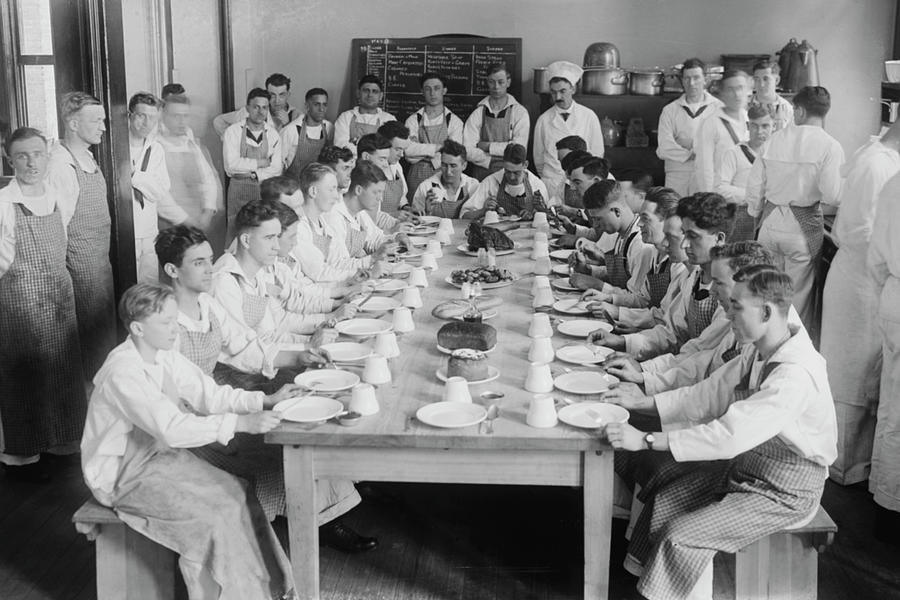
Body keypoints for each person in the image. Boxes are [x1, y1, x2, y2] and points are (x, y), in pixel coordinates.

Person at [604, 265, 836, 600]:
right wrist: (646, 403)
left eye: (736, 308)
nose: (728, 315)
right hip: (750, 467)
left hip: (787, 489)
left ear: (767, 311)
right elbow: (710, 393)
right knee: (667, 499)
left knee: (680, 535)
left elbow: (731, 435)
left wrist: (646, 439)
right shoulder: (761, 349)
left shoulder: (794, 374)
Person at [82, 283, 302, 599]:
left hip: (157, 457)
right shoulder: (123, 371)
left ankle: (272, 589)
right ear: (137, 328)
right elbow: (171, 428)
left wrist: (263, 401)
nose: (175, 329)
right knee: (211, 521)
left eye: (175, 320)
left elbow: (208, 394)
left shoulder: (163, 355)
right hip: (120, 476)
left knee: (238, 492)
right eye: (166, 323)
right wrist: (241, 423)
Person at [0, 128, 87, 482]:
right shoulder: (4, 204)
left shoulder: (57, 194)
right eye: (22, 156)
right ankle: (25, 447)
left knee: (63, 367)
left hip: (59, 296)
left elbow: (61, 237)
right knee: (25, 373)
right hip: (20, 299)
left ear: (47, 155)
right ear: (10, 160)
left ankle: (64, 439)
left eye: (37, 154)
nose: (31, 162)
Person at [821, 123, 900, 485]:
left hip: (866, 273)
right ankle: (847, 464)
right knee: (855, 373)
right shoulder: (878, 165)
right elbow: (863, 231)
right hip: (862, 277)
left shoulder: (877, 157)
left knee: (864, 370)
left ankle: (857, 464)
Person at [603, 241, 779, 398]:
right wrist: (645, 377)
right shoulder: (744, 321)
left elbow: (728, 422)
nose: (712, 291)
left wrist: (646, 382)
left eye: (719, 283)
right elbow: (704, 365)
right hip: (686, 385)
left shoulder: (785, 366)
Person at [746, 85, 844, 340]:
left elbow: (755, 186)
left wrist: (756, 212)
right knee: (796, 298)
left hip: (769, 224)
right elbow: (833, 194)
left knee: (763, 292)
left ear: (798, 110)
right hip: (802, 229)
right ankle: (789, 352)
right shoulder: (830, 146)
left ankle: (756, 350)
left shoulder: (774, 140)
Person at [589, 193, 733, 361]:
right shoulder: (694, 276)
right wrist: (623, 342)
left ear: (719, 238)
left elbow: (700, 357)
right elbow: (671, 333)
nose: (684, 245)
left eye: (692, 236)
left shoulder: (728, 290)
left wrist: (646, 371)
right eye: (684, 235)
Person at [48, 91, 117, 379]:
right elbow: (57, 227)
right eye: (96, 120)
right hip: (80, 269)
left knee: (102, 338)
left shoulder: (86, 157)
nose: (103, 126)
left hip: (100, 265)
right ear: (73, 124)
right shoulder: (61, 164)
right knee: (91, 345)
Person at [211, 201, 350, 342]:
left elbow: (269, 332)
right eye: (269, 238)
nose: (276, 247)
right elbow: (240, 347)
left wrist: (311, 340)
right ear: (246, 241)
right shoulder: (224, 282)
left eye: (277, 237)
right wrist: (310, 341)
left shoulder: (257, 272)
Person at [583, 187, 688, 328]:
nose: (639, 224)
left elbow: (664, 316)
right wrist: (609, 298)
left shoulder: (679, 265)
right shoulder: (654, 253)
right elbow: (642, 299)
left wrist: (616, 311)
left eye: (645, 219)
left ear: (667, 222)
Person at [869, 162, 900, 544]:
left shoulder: (895, 181)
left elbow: (876, 259)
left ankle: (887, 505)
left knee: (893, 409)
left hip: (895, 295)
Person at [127, 92, 186, 282]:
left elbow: (160, 191)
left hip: (148, 229)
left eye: (152, 118)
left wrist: (135, 176)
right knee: (127, 285)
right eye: (141, 116)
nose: (146, 123)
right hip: (127, 230)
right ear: (130, 115)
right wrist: (148, 182)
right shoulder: (117, 147)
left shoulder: (155, 149)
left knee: (150, 283)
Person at [295, 162, 382, 283]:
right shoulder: (298, 227)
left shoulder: (322, 223)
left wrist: (369, 264)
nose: (336, 196)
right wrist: (362, 274)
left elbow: (338, 263)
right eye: (331, 190)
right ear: (313, 191)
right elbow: (318, 273)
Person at [157, 93, 223, 249]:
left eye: (185, 116)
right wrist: (186, 221)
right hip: (171, 225)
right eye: (176, 116)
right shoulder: (156, 147)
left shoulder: (192, 144)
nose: (182, 121)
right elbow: (161, 196)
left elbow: (208, 180)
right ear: (163, 116)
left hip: (199, 223)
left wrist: (207, 213)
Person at [533, 61, 604, 203]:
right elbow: (539, 159)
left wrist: (582, 179)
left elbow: (597, 152)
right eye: (553, 92)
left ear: (573, 89)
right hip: (552, 184)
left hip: (582, 184)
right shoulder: (544, 120)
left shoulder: (588, 116)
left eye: (562, 91)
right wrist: (551, 178)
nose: (558, 97)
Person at [571, 180, 652, 299]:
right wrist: (588, 270)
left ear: (617, 211)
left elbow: (637, 298)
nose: (595, 225)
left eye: (598, 219)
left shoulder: (640, 243)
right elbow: (620, 275)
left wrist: (598, 285)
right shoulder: (619, 233)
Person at [222, 87, 283, 242]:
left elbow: (276, 169)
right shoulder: (233, 131)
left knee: (260, 233)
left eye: (264, 107)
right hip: (238, 191)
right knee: (236, 232)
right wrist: (260, 163)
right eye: (256, 107)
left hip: (263, 191)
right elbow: (231, 165)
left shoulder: (273, 134)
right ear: (248, 108)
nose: (260, 112)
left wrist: (253, 174)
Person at [656, 58, 722, 195]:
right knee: (675, 212)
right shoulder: (670, 110)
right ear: (682, 81)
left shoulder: (719, 108)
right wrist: (699, 150)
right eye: (687, 78)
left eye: (696, 78)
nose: (691, 83)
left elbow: (723, 144)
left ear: (705, 79)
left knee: (703, 213)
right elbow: (664, 148)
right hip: (677, 174)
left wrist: (687, 143)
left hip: (707, 174)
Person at [715, 104, 775, 241]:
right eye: (754, 126)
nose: (759, 131)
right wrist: (753, 196)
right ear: (748, 126)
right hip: (740, 217)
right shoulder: (734, 153)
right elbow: (719, 188)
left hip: (769, 220)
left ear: (774, 126)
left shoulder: (779, 156)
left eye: (765, 126)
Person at [462, 62, 530, 180]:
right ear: (487, 82)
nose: (496, 87)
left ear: (508, 82)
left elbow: (519, 148)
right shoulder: (478, 113)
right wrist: (488, 160)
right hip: (482, 173)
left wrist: (488, 146)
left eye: (500, 82)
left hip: (511, 174)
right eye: (491, 82)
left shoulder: (519, 112)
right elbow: (467, 149)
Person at [403, 72, 464, 202]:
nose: (432, 93)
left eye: (437, 88)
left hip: (443, 173)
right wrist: (439, 147)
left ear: (444, 90)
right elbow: (408, 151)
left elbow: (453, 152)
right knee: (417, 212)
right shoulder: (413, 120)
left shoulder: (455, 122)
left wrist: (420, 150)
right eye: (427, 89)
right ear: (422, 91)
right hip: (416, 176)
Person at [693, 69, 750, 193]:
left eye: (741, 88)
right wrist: (709, 199)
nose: (737, 94)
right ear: (722, 93)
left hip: (749, 197)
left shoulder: (752, 121)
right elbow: (704, 167)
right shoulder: (711, 123)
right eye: (731, 89)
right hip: (721, 197)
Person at [460, 143, 549, 220]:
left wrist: (536, 214)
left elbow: (550, 217)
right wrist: (483, 211)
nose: (511, 177)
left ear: (525, 165)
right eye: (507, 171)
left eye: (516, 172)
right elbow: (464, 215)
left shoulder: (537, 185)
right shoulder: (490, 182)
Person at [213, 72, 300, 136]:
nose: (277, 101)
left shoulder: (297, 116)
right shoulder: (252, 111)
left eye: (281, 95)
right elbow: (219, 121)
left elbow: (297, 149)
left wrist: (287, 126)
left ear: (288, 95)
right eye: (272, 95)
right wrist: (234, 143)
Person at [410, 140, 479, 218]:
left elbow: (478, 220)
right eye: (444, 165)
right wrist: (427, 212)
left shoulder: (472, 185)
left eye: (453, 166)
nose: (448, 172)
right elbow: (415, 222)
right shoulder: (426, 186)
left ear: (464, 166)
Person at [333, 74, 396, 153]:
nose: (370, 95)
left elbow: (392, 148)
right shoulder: (346, 117)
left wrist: (355, 145)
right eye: (366, 90)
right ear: (358, 93)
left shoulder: (389, 119)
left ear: (381, 96)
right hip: (351, 164)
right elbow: (340, 145)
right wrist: (373, 150)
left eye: (375, 91)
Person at [282, 87, 334, 177]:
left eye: (324, 105)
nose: (321, 109)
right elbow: (279, 163)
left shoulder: (329, 127)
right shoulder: (291, 130)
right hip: (294, 184)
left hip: (319, 183)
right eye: (317, 104)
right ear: (307, 106)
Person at [375, 121, 410, 214]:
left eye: (403, 150)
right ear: (383, 145)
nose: (402, 155)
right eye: (397, 149)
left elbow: (401, 197)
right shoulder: (371, 170)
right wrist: (395, 215)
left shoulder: (397, 166)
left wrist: (406, 208)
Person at [750, 60, 794, 131]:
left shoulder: (787, 109)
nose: (761, 84)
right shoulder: (744, 107)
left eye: (766, 79)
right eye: (757, 79)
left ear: (777, 80)